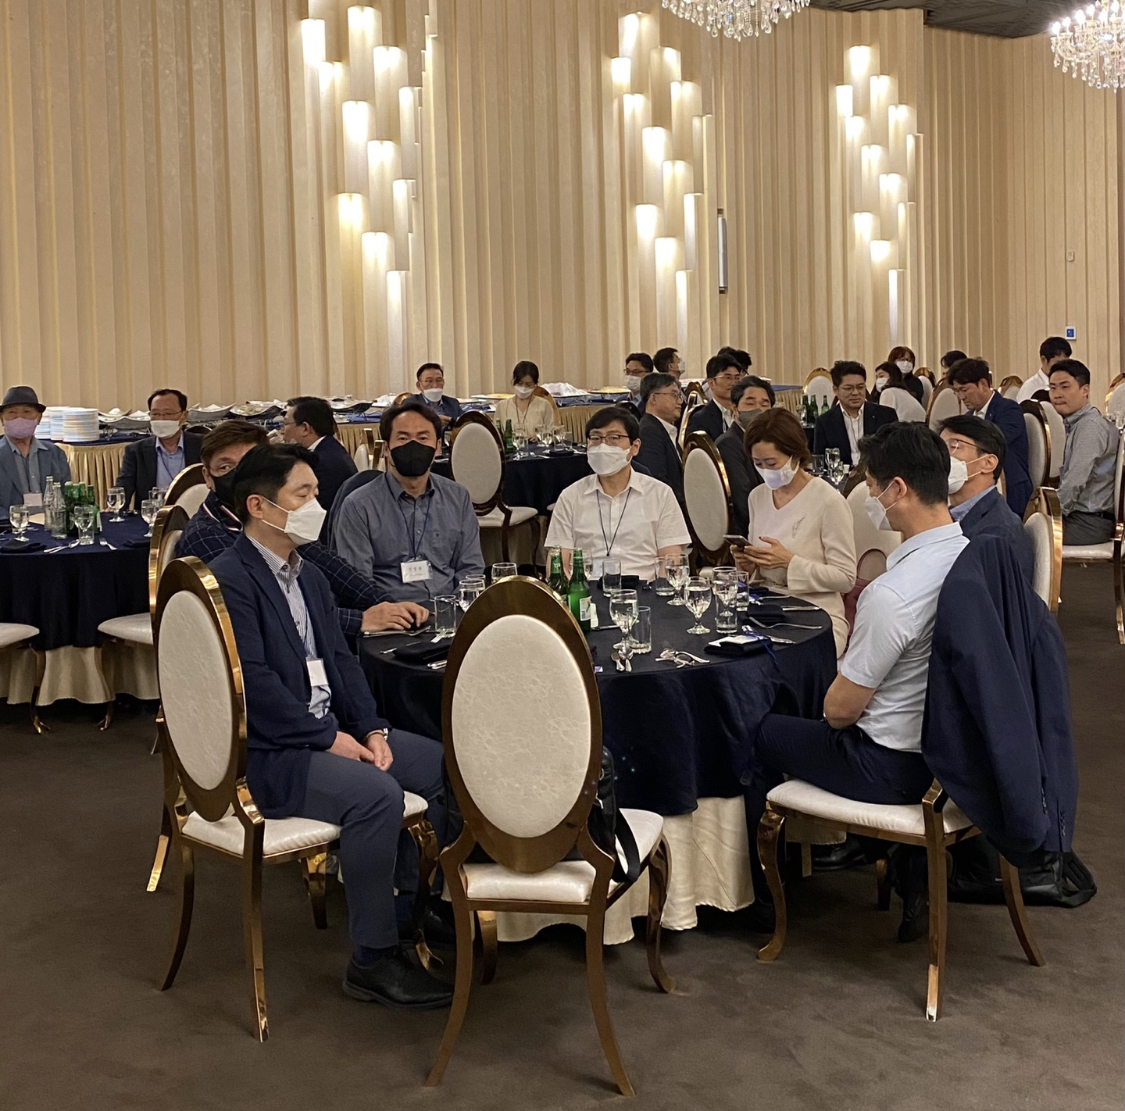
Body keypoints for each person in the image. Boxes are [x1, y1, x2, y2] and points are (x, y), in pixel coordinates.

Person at [208, 443, 452, 1010]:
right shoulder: (230, 580)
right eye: (304, 494)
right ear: (259, 506)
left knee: (442, 768)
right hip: (271, 751)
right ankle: (372, 959)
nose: (317, 506)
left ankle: (410, 909)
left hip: (330, 729)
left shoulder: (310, 576)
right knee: (376, 795)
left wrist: (371, 730)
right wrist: (326, 738)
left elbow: (342, 663)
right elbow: (254, 684)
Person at [745, 422, 969, 940]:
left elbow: (839, 712)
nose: (868, 500)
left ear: (897, 489)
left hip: (890, 765)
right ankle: (902, 862)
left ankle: (762, 898)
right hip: (956, 757)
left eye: (870, 487)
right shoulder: (972, 557)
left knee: (756, 730)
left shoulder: (892, 594)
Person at [178, 420, 427, 635]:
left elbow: (333, 567)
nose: (238, 476)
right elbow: (273, 613)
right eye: (225, 467)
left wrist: (388, 605)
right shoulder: (205, 537)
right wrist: (361, 620)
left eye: (248, 464)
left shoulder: (280, 516)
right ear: (208, 477)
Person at [732, 409, 856, 656]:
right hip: (766, 607)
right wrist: (748, 564)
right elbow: (758, 572)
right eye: (758, 464)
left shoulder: (828, 500)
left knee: (778, 659)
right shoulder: (758, 496)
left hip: (815, 611)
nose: (765, 471)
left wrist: (790, 563)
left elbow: (845, 578)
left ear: (795, 455)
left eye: (772, 464)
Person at [334, 401, 485, 603]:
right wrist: (394, 613)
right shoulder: (359, 506)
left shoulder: (457, 497)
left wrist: (456, 607)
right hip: (390, 613)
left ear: (437, 447)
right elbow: (358, 584)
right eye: (403, 438)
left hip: (450, 609)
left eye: (423, 438)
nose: (413, 446)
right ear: (386, 448)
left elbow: (471, 568)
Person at [545, 406, 690, 579]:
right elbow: (557, 566)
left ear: (635, 447)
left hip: (645, 589)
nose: (603, 446)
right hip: (587, 589)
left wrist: (658, 593)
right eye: (596, 438)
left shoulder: (660, 494)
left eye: (614, 438)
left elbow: (671, 562)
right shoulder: (570, 496)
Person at [940, 414, 1034, 583]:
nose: (942, 457)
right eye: (940, 448)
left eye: (954, 446)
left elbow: (991, 597)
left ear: (988, 463)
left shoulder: (998, 532)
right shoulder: (949, 515)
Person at [947, 357, 1033, 516]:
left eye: (964, 390)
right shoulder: (968, 418)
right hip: (976, 485)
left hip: (1010, 485)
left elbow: (993, 443)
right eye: (956, 392)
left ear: (983, 384)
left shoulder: (1009, 409)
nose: (961, 397)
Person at [1049, 359, 1121, 544]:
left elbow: (1075, 481)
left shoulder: (1090, 426)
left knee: (1024, 537)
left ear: (1085, 390)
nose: (1057, 394)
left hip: (1089, 522)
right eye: (1053, 388)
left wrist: (1051, 514)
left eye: (1065, 387)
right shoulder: (1079, 423)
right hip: (1082, 518)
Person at [281, 396, 358, 541]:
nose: (282, 431)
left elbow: (307, 515)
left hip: (324, 538)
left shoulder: (321, 462)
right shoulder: (330, 448)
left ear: (305, 428)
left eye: (285, 424)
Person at [116, 388, 203, 511]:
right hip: (152, 516)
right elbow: (124, 486)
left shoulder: (203, 445)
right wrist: (116, 507)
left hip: (195, 514)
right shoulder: (136, 451)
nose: (161, 419)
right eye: (156, 414)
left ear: (184, 416)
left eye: (168, 413)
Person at [0, 385, 71, 517]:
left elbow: (67, 494)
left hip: (51, 523)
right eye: (12, 413)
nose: (19, 418)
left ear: (38, 418)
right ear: (2, 419)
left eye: (27, 412)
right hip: (10, 526)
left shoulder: (55, 453)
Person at [715, 376, 773, 535]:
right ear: (735, 409)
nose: (758, 410)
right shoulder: (729, 444)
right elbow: (742, 501)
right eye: (750, 403)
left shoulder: (770, 441)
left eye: (764, 404)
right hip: (750, 530)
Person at [813, 361, 897, 466]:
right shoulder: (825, 422)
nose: (856, 393)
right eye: (848, 388)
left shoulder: (886, 416)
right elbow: (820, 462)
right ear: (835, 390)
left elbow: (895, 455)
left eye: (860, 387)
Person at [634, 372, 685, 505]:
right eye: (674, 395)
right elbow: (656, 482)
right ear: (654, 398)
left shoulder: (662, 428)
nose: (680, 401)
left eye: (679, 396)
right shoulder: (649, 432)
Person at [685, 351, 742, 440]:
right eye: (728, 378)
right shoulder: (700, 419)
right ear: (711, 383)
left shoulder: (744, 414)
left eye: (737, 378)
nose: (734, 383)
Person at [493, 360, 555, 442]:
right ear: (514, 381)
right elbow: (496, 436)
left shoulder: (544, 405)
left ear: (535, 384)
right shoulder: (502, 406)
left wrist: (539, 437)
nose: (523, 388)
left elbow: (552, 434)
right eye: (520, 383)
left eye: (528, 385)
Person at [1018, 336, 1073, 403]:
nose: (1062, 367)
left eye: (1065, 363)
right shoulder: (1030, 387)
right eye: (1058, 363)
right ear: (1043, 360)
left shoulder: (1071, 383)